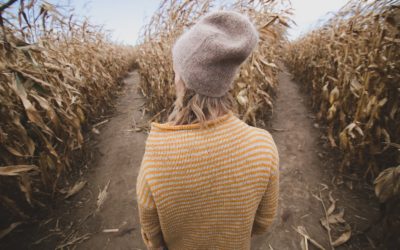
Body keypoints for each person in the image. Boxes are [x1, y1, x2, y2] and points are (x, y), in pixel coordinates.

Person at [136, 10, 279, 250]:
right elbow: (263, 223)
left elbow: (152, 236)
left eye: (175, 71)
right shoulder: (263, 146)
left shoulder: (157, 155)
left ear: (183, 79)